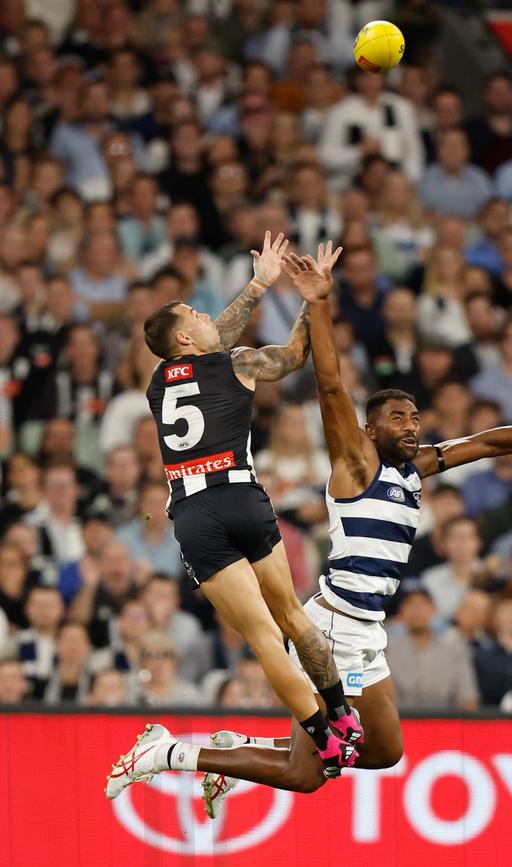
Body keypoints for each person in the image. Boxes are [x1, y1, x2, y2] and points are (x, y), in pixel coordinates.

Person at [190, 242, 512, 812]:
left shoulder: (417, 466)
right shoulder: (355, 464)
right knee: (308, 774)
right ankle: (177, 755)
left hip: (367, 628)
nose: (412, 425)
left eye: (415, 417)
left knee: (384, 751)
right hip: (334, 629)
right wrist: (318, 305)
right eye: (398, 418)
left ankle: (240, 747)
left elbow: (491, 441)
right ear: (369, 430)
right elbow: (329, 385)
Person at [106, 231, 362, 795]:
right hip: (240, 495)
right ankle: (343, 715)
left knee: (264, 640)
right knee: (293, 619)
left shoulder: (156, 384)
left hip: (194, 514)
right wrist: (311, 300)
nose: (206, 315)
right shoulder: (238, 364)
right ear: (183, 336)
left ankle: (327, 739)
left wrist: (257, 284)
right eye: (194, 312)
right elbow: (294, 356)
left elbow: (207, 342)